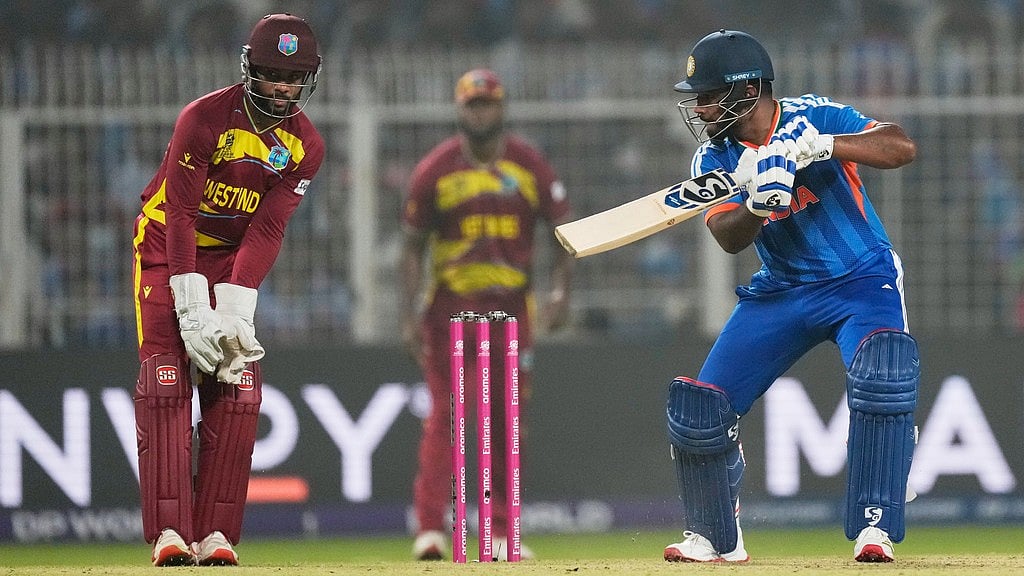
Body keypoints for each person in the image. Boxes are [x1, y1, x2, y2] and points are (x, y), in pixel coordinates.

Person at [663, 30, 918, 563]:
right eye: (698, 98)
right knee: (700, 410)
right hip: (782, 290)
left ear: (749, 89)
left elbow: (900, 147)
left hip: (859, 278)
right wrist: (755, 203)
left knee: (883, 374)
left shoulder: (815, 116)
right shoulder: (714, 159)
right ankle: (715, 536)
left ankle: (876, 526)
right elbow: (728, 237)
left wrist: (825, 146)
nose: (702, 109)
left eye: (710, 95)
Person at [130, 13, 324, 566]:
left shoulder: (305, 145)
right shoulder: (203, 117)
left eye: (294, 75)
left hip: (230, 258)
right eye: (270, 72)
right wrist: (191, 308)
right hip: (166, 246)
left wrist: (237, 308)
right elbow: (182, 212)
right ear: (248, 68)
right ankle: (169, 530)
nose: (282, 85)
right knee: (166, 380)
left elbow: (267, 228)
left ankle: (215, 535)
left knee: (237, 383)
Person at [400, 68, 574, 561]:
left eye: (487, 104)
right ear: (460, 109)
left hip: (512, 311)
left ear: (501, 108)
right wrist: (407, 315)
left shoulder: (527, 165)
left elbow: (563, 233)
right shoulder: (437, 169)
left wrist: (562, 293)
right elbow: (411, 248)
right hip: (449, 310)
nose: (480, 112)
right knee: (447, 418)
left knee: (505, 420)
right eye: (472, 104)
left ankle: (500, 530)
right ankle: (431, 528)